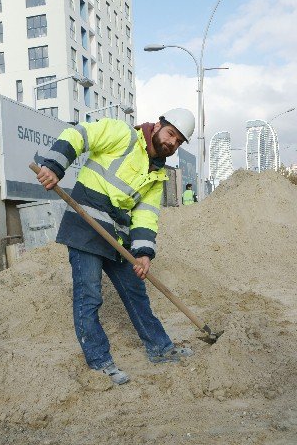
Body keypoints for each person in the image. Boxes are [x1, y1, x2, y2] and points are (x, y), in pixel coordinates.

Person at [36, 108, 196, 385]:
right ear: (158, 125)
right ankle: (100, 362)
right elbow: (79, 135)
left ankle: (161, 348)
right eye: (171, 134)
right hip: (86, 228)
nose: (172, 143)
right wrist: (54, 165)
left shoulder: (158, 175)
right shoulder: (123, 135)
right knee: (89, 296)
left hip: (117, 238)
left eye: (178, 141)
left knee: (136, 295)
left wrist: (144, 253)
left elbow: (146, 214)